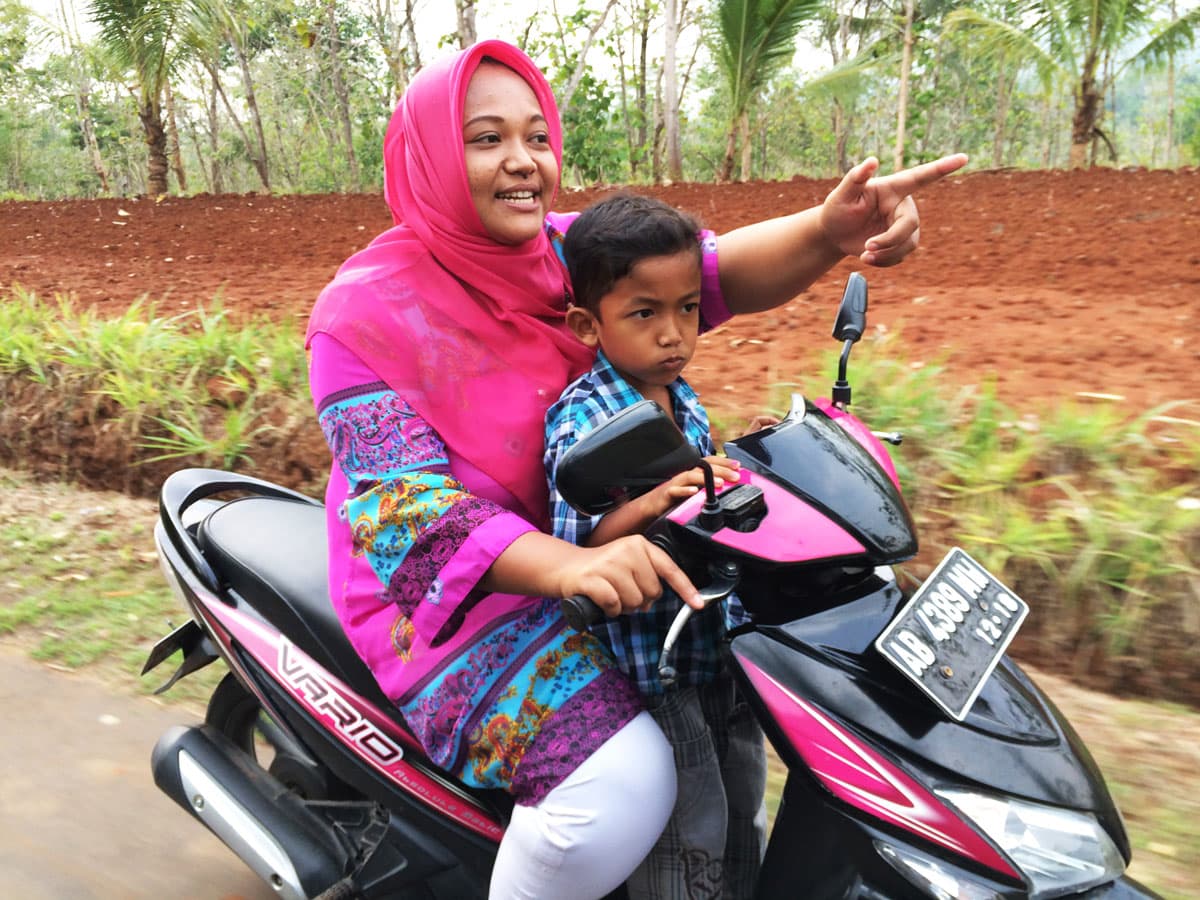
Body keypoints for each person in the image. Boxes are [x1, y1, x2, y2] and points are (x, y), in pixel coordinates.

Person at [304, 36, 966, 900]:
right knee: (624, 785)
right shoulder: (360, 317)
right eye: (485, 138)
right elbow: (407, 514)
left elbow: (712, 272)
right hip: (454, 604)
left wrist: (830, 230)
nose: (522, 162)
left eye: (537, 137)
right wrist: (574, 561)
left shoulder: (565, 254)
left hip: (608, 555)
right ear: (428, 155)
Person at [544, 193, 775, 900]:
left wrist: (748, 453)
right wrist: (652, 503)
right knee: (687, 835)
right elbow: (576, 547)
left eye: (687, 309)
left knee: (741, 810)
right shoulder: (585, 416)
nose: (673, 334)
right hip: (655, 671)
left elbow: (701, 481)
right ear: (590, 323)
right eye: (644, 313)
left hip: (714, 649)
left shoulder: (682, 394)